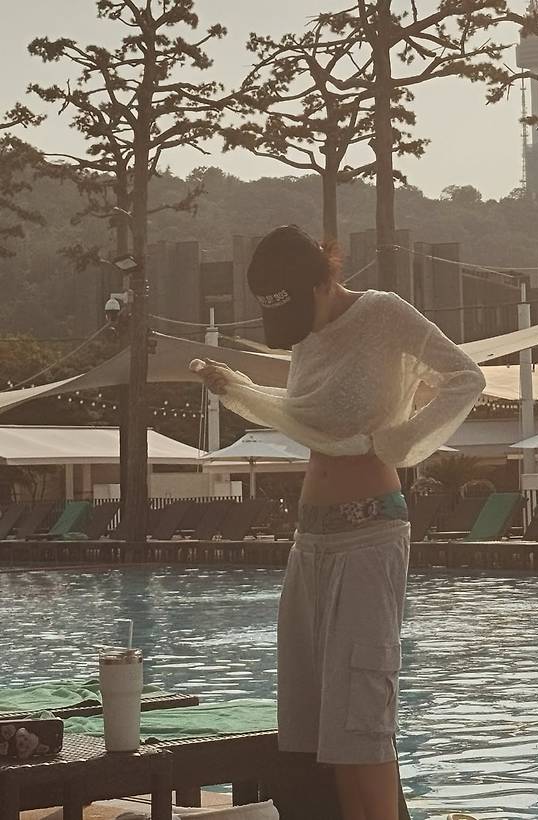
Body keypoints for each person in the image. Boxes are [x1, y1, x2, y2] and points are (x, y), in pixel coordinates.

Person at [192, 225, 485, 820]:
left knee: (359, 726)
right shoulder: (305, 337)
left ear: (325, 279)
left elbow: (465, 378)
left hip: (369, 533)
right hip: (310, 541)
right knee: (314, 729)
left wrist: (397, 441)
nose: (295, 324)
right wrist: (239, 390)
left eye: (298, 305)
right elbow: (305, 416)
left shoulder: (383, 314)